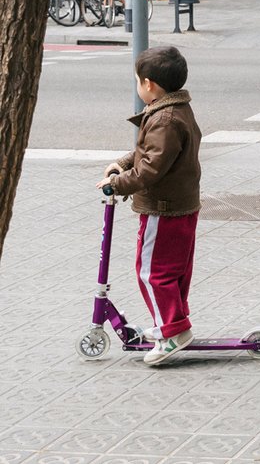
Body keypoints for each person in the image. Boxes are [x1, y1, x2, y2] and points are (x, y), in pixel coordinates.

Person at [96, 46, 202, 366]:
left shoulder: (165, 118)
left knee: (152, 272)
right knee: (173, 272)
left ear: (149, 84)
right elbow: (148, 152)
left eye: (138, 83)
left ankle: (174, 332)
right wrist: (121, 162)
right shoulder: (173, 109)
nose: (138, 89)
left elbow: (150, 168)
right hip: (180, 204)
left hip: (163, 208)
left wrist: (119, 183)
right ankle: (172, 323)